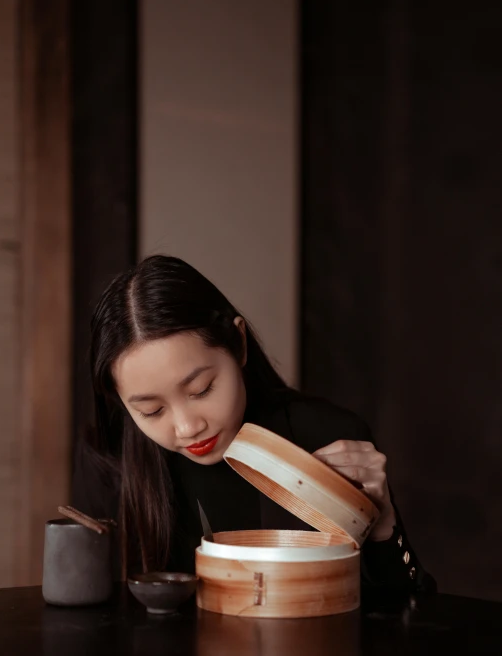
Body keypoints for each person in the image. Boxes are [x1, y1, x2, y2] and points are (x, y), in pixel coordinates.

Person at [73, 254, 435, 595]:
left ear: (239, 344)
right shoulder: (110, 461)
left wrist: (382, 522)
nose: (187, 427)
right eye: (152, 411)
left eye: (202, 389)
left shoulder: (325, 436)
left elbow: (410, 614)